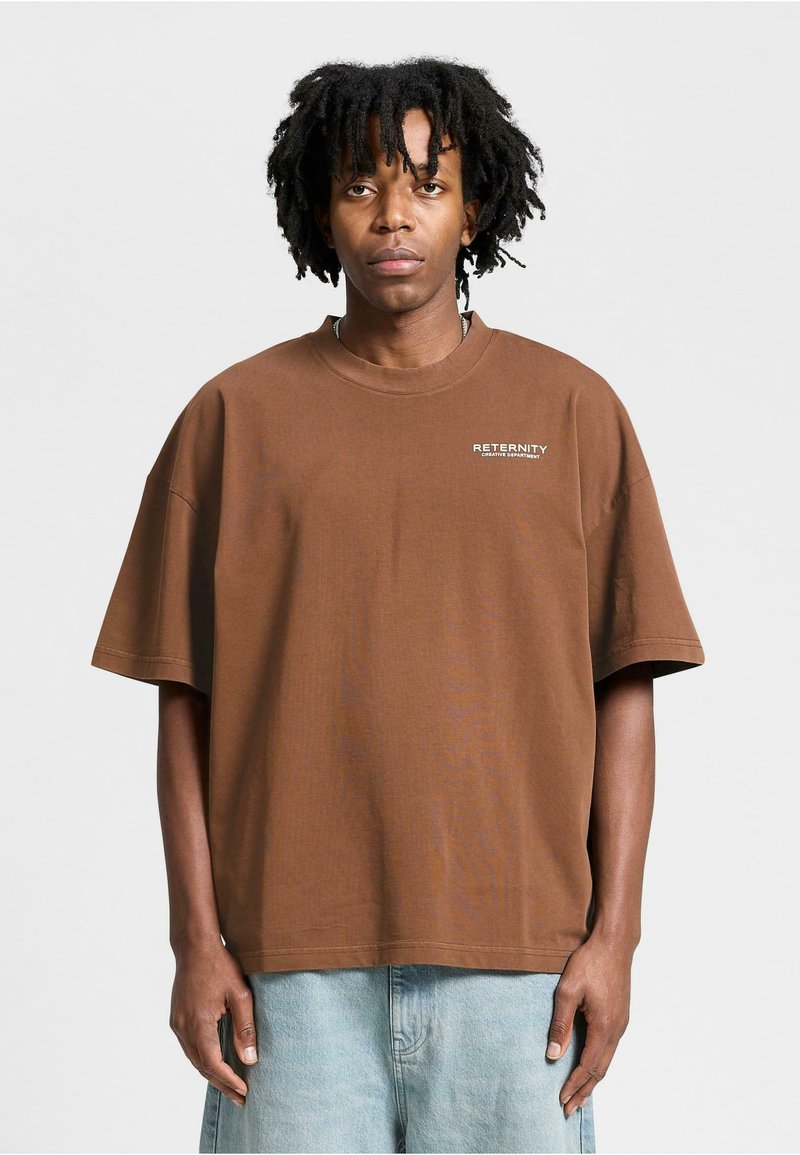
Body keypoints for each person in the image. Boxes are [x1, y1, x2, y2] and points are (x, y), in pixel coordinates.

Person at [90, 57, 705, 1154]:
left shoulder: (572, 412)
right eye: (360, 184)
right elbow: (182, 699)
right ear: (317, 210)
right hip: (286, 977)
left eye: (427, 184)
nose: (393, 216)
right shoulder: (233, 418)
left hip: (519, 972)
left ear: (475, 208)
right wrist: (195, 941)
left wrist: (616, 939)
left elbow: (626, 686)